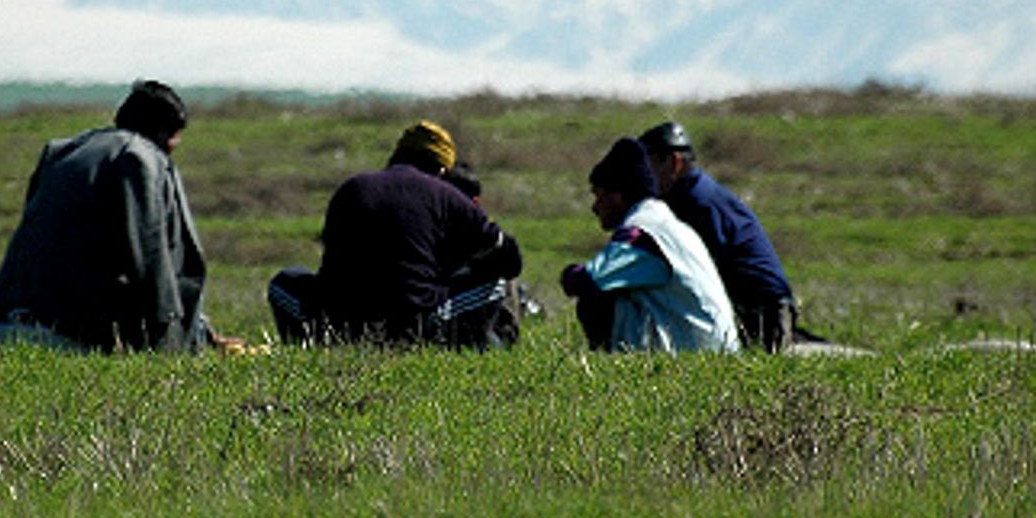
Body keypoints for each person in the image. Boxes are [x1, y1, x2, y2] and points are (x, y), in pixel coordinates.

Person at [0, 80, 215, 353]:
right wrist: (175, 344)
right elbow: (153, 260)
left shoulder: (60, 153)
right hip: (68, 339)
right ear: (170, 136)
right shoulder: (139, 158)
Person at [269, 120, 523, 348]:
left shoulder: (353, 187)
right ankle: (469, 345)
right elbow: (509, 257)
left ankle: (312, 345)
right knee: (497, 283)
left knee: (284, 282)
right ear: (443, 170)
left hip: (339, 322)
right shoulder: (446, 195)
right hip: (411, 325)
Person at [561, 137, 738, 353]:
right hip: (715, 345)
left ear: (619, 195)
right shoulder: (668, 225)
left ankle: (619, 367)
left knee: (596, 301)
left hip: (695, 348)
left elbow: (588, 280)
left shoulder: (643, 234)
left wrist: (568, 273)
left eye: (600, 196)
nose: (595, 207)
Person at [639, 120, 801, 350]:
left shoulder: (699, 203)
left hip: (763, 315)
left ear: (674, 163)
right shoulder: (687, 196)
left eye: (649, 166)